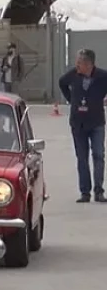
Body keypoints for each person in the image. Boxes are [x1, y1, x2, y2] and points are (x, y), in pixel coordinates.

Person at [59, 49, 107, 203]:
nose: (77, 65)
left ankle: (99, 191)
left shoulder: (102, 76)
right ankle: (85, 192)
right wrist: (72, 100)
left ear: (89, 64)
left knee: (99, 155)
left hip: (96, 121)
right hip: (78, 123)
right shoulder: (73, 75)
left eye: (80, 63)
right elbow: (62, 83)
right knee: (82, 157)